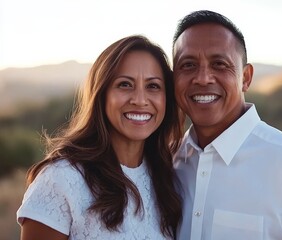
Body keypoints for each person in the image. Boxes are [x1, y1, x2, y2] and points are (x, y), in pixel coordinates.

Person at [172, 10, 282, 240]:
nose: (203, 78)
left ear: (245, 77)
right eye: (188, 65)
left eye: (219, 64)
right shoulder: (170, 161)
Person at [17, 35, 183, 240]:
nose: (140, 100)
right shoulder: (61, 178)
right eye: (125, 84)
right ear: (101, 94)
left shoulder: (167, 174)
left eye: (153, 86)